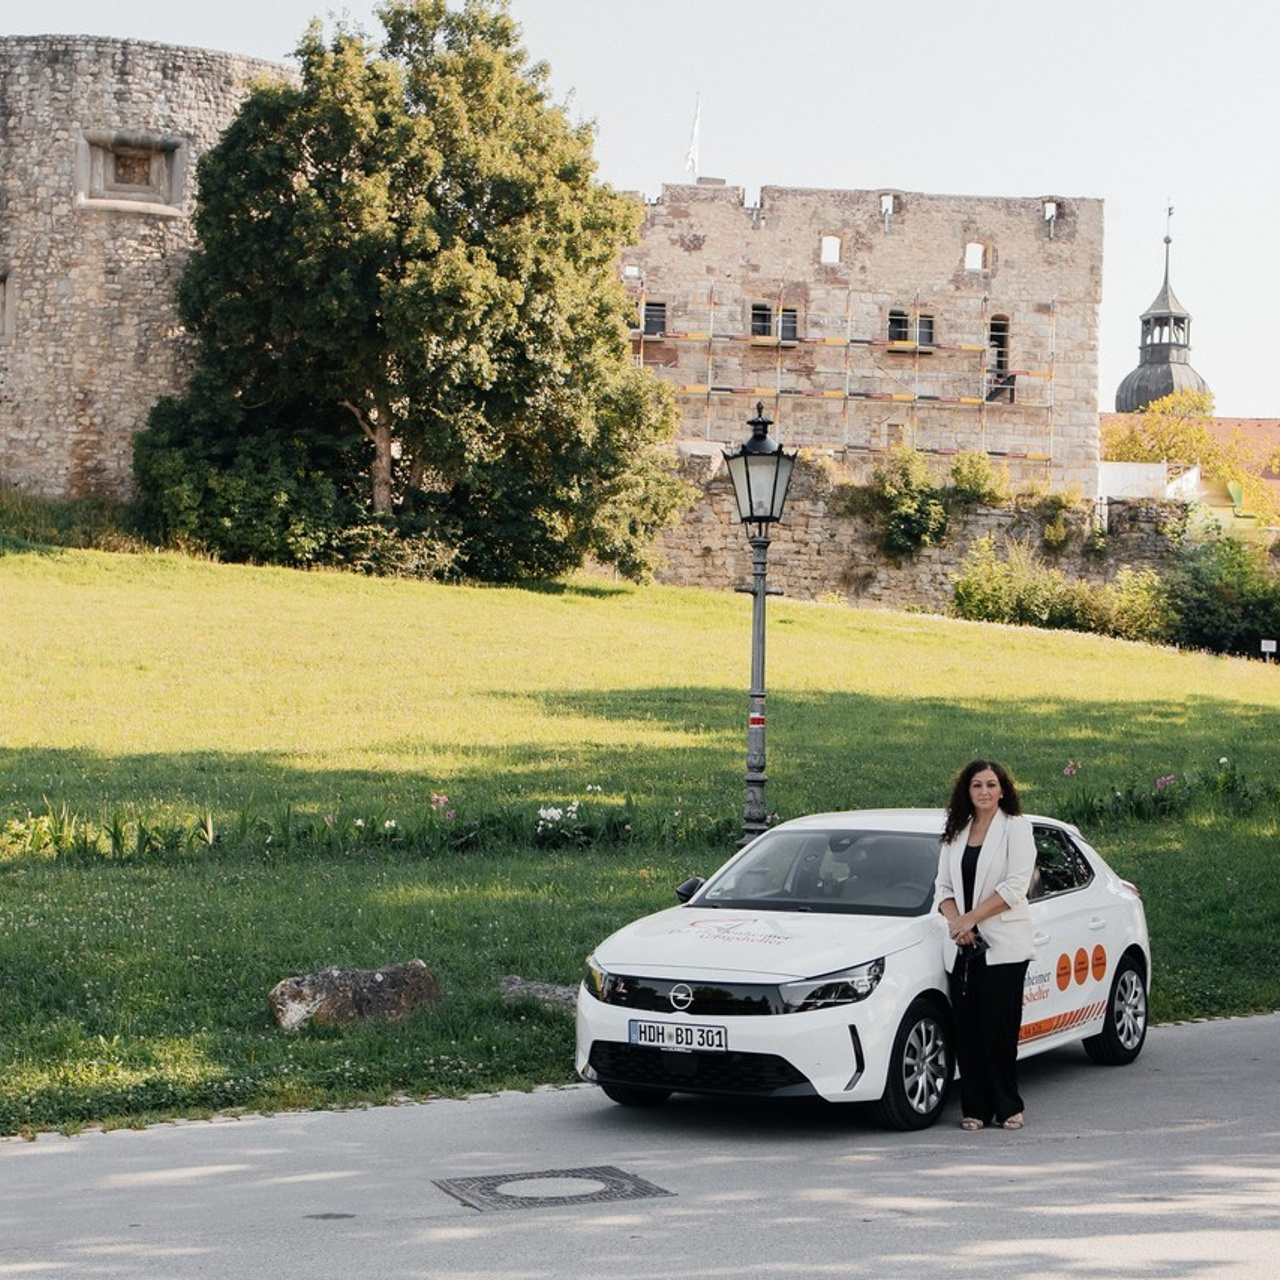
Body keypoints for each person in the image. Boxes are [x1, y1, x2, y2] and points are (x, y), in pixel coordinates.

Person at [935, 759, 1036, 1131]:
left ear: (1003, 789)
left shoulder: (1016, 829)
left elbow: (1014, 887)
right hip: (963, 945)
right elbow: (942, 889)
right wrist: (957, 924)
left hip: (1003, 945)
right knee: (968, 1029)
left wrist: (970, 919)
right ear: (967, 791)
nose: (984, 792)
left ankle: (1008, 1105)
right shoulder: (955, 831)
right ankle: (974, 1108)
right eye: (977, 785)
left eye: (991, 785)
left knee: (999, 1028)